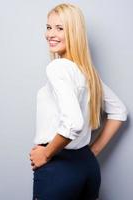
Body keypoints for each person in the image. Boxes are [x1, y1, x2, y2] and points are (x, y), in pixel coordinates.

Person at [29, 3, 128, 200]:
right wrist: (91, 153)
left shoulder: (57, 67)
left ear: (74, 32)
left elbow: (73, 122)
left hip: (59, 170)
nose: (50, 34)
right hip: (87, 168)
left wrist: (46, 154)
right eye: (48, 27)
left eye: (60, 28)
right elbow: (120, 111)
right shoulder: (87, 73)